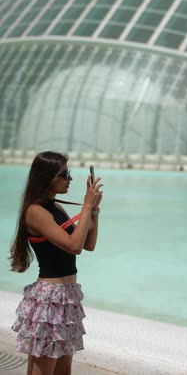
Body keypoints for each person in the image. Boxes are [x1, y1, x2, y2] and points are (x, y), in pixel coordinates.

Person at [9, 151, 103, 375]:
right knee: (43, 371)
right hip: (50, 299)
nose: (70, 179)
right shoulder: (35, 212)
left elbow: (88, 244)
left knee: (63, 370)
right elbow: (74, 246)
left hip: (67, 296)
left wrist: (95, 211)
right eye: (65, 174)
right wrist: (86, 207)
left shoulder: (56, 208)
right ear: (47, 177)